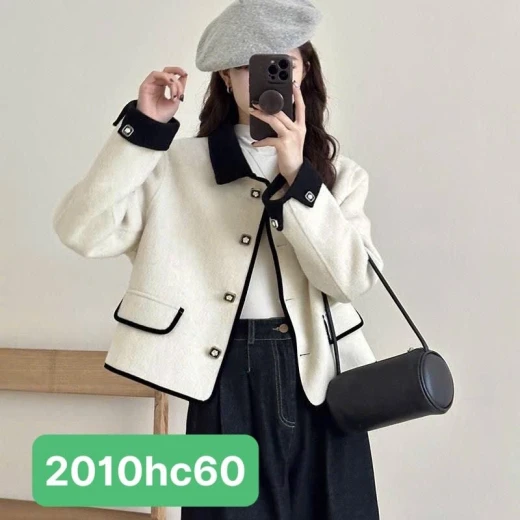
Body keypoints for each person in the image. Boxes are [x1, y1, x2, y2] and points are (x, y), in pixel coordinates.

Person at [52, 1, 383, 518]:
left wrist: (298, 176)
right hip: (224, 376)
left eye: (284, 62)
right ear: (227, 78)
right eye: (250, 64)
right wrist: (143, 129)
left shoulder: (339, 175)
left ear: (304, 71)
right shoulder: (176, 166)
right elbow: (81, 230)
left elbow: (351, 281)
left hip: (323, 379)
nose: (269, 76)